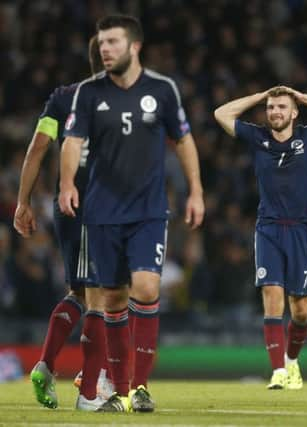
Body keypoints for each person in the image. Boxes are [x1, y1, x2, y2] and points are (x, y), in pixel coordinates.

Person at [59, 14, 205, 412]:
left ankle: (139, 386)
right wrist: (67, 183)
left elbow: (184, 140)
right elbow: (72, 141)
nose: (104, 48)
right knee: (113, 299)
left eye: (112, 42)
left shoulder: (161, 90)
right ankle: (120, 391)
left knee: (147, 287)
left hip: (148, 211)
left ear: (134, 47)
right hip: (102, 212)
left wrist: (196, 191)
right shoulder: (88, 93)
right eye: (101, 43)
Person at [214, 86, 307, 389]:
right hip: (269, 228)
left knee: (300, 310)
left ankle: (291, 361)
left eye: (281, 107)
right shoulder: (256, 137)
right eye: (271, 107)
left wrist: (303, 96)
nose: (275, 112)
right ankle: (277, 371)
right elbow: (220, 114)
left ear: (294, 112)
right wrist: (258, 96)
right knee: (272, 296)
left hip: (301, 229)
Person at [13, 36, 112, 411]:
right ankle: (89, 391)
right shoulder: (114, 101)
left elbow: (38, 145)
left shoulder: (61, 97)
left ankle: (50, 366)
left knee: (85, 292)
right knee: (100, 297)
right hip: (92, 207)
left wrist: (24, 202)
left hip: (72, 206)